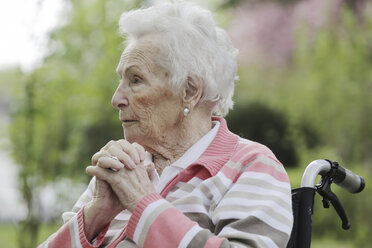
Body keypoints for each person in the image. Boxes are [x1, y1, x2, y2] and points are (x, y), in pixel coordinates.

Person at [39, 2, 293, 248]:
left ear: (189, 91)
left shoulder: (251, 166)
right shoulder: (123, 167)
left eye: (136, 80)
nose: (116, 99)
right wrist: (96, 215)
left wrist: (142, 205)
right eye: (121, 80)